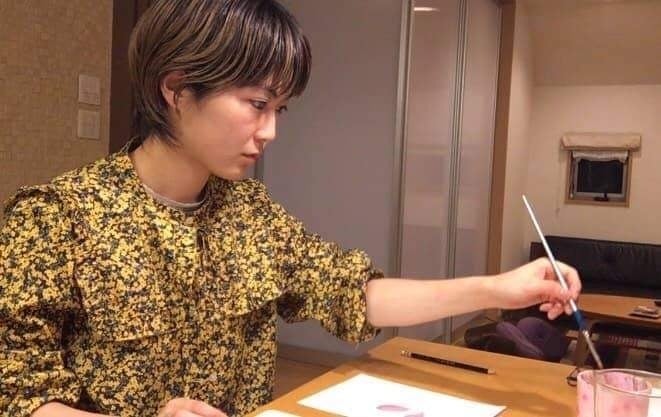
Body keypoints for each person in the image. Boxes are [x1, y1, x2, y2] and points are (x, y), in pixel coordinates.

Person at [0, 1, 581, 416]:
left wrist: (497, 288)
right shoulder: (56, 218)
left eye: (280, 109)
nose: (271, 131)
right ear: (175, 90)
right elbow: (20, 392)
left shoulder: (251, 213)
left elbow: (351, 293)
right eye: (256, 103)